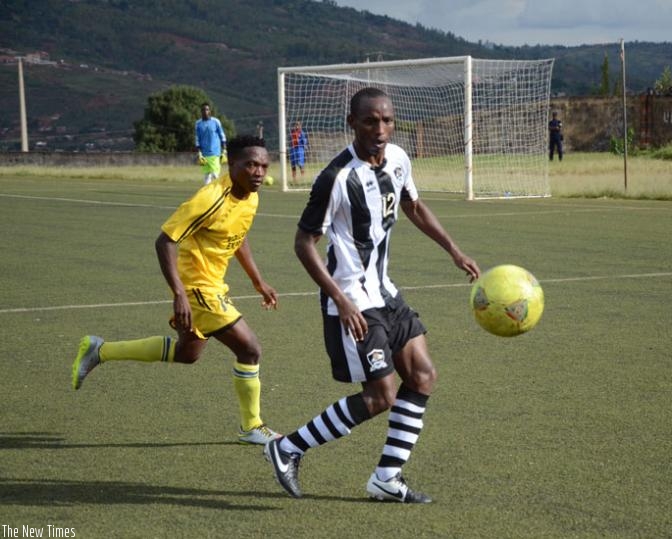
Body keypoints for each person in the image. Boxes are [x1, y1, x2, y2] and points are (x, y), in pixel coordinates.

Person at [264, 88, 480, 503]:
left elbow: (412, 205)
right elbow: (303, 244)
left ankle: (386, 477)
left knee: (423, 376)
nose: (379, 130)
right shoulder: (335, 178)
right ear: (352, 123)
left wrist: (453, 250)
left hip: (386, 292)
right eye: (369, 121)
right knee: (381, 396)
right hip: (351, 300)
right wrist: (341, 301)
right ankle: (287, 447)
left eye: (386, 121)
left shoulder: (398, 158)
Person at [72, 135, 281, 446]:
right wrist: (179, 293)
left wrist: (257, 280)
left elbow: (239, 236)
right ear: (231, 163)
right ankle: (251, 426)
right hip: (196, 287)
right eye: (250, 164)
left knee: (187, 354)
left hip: (212, 285)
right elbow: (165, 240)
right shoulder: (210, 198)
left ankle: (99, 351)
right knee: (249, 349)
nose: (259, 172)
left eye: (263, 165)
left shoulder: (250, 196)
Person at [195, 102, 227, 185]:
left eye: (207, 109)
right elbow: (197, 138)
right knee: (207, 176)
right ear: (201, 111)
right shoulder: (198, 123)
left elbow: (222, 135)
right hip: (204, 154)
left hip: (215, 153)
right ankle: (208, 195)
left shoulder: (216, 122)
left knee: (215, 175)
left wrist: (224, 150)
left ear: (210, 111)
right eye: (203, 110)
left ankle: (219, 192)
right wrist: (199, 152)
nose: (205, 111)